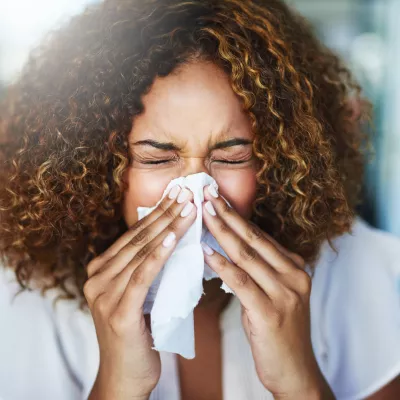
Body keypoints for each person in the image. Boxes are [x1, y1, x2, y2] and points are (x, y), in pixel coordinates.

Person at [0, 0, 399, 399]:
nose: (196, 193)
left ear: (276, 163)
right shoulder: (31, 298)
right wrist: (119, 386)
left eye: (231, 157)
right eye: (157, 158)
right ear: (98, 167)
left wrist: (298, 382)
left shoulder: (357, 269)